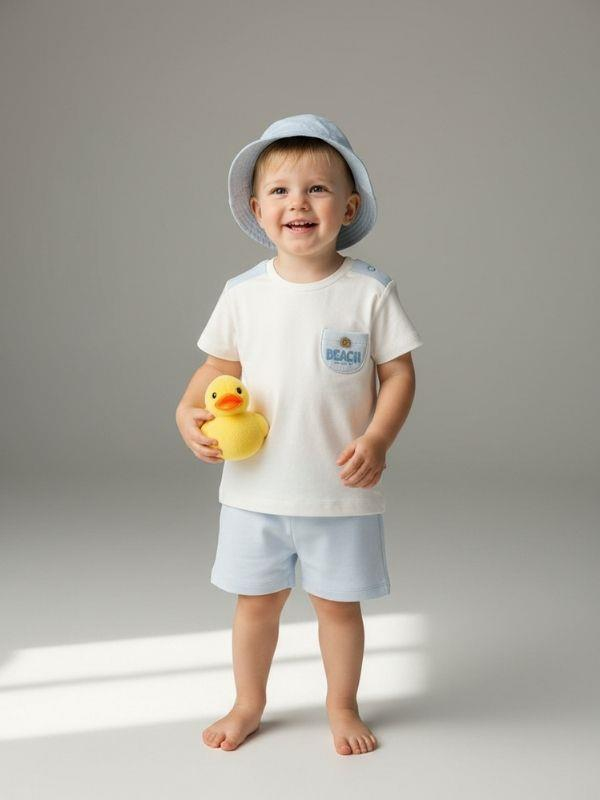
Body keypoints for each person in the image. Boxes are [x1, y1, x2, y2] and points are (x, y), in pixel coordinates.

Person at [175, 114, 423, 756]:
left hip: (339, 490)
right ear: (258, 209)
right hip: (254, 492)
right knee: (254, 606)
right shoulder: (242, 293)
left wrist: (377, 440)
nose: (299, 203)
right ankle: (248, 703)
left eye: (318, 189)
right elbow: (217, 367)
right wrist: (186, 410)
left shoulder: (368, 291)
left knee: (338, 609)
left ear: (349, 207)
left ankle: (342, 705)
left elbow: (398, 374)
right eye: (281, 191)